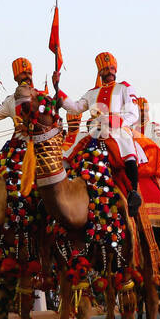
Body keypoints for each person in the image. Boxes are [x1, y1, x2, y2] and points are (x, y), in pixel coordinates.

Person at [60, 51, 147, 210]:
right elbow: (75, 108)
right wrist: (59, 92)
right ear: (100, 72)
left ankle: (133, 192)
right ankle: (61, 191)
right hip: (96, 132)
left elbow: (133, 113)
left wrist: (115, 121)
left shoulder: (124, 88)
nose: (110, 71)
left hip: (119, 130)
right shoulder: (91, 93)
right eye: (106, 69)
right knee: (68, 155)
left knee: (128, 150)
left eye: (112, 68)